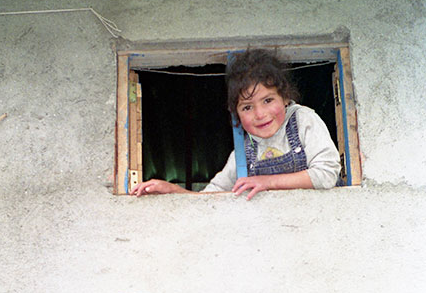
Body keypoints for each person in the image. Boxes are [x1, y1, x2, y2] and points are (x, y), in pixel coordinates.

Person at [131, 48, 341, 200]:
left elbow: (327, 174)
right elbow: (211, 197)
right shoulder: (243, 151)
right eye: (247, 107)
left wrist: (267, 183)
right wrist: (172, 191)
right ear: (236, 114)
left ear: (285, 97)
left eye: (268, 100)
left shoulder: (302, 120)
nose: (260, 114)